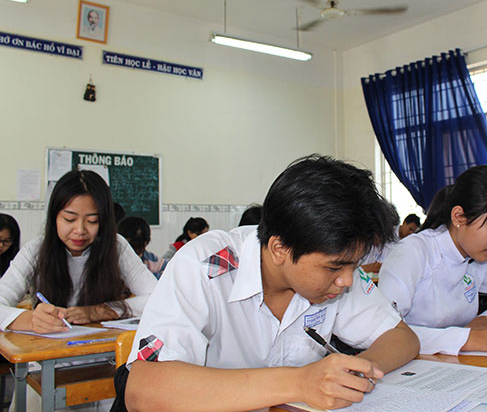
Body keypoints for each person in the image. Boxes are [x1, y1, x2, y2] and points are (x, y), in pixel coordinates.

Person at [124, 155, 419, 411]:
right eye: (334, 267)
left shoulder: (338, 273)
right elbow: (143, 391)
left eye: (354, 264)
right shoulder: (206, 265)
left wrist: (354, 374)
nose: (346, 280)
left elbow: (402, 338)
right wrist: (300, 383)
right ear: (280, 249)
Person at [378, 165, 487, 356]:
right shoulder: (413, 252)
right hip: (409, 365)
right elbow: (384, 331)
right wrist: (472, 339)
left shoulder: (480, 259)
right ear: (459, 217)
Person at [0, 170, 157, 334]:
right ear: (54, 217)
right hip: (48, 348)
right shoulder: (36, 250)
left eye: (92, 221)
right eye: (69, 219)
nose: (80, 230)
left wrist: (98, 311)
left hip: (102, 346)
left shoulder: (116, 246)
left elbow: (158, 297)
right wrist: (31, 320)